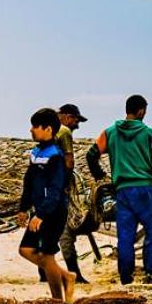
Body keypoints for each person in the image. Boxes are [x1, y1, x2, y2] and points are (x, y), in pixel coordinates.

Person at [87, 93, 152, 283]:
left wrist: (99, 175)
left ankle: (126, 276)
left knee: (125, 237)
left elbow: (91, 155)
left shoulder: (109, 132)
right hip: (146, 190)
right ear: (141, 110)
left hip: (123, 191)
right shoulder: (150, 133)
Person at [18, 107, 76, 303]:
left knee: (47, 255)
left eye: (36, 126)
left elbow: (55, 190)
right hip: (39, 211)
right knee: (25, 249)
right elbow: (29, 182)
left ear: (48, 129)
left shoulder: (55, 156)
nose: (31, 130)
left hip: (53, 212)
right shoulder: (36, 153)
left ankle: (57, 301)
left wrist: (41, 214)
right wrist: (23, 208)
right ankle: (67, 276)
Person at [55, 103, 93, 284]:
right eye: (76, 120)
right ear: (68, 116)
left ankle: (43, 273)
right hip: (59, 189)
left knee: (47, 230)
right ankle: (74, 273)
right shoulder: (64, 132)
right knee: (66, 231)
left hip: (46, 187)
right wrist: (65, 185)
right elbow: (69, 162)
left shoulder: (48, 131)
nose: (77, 125)